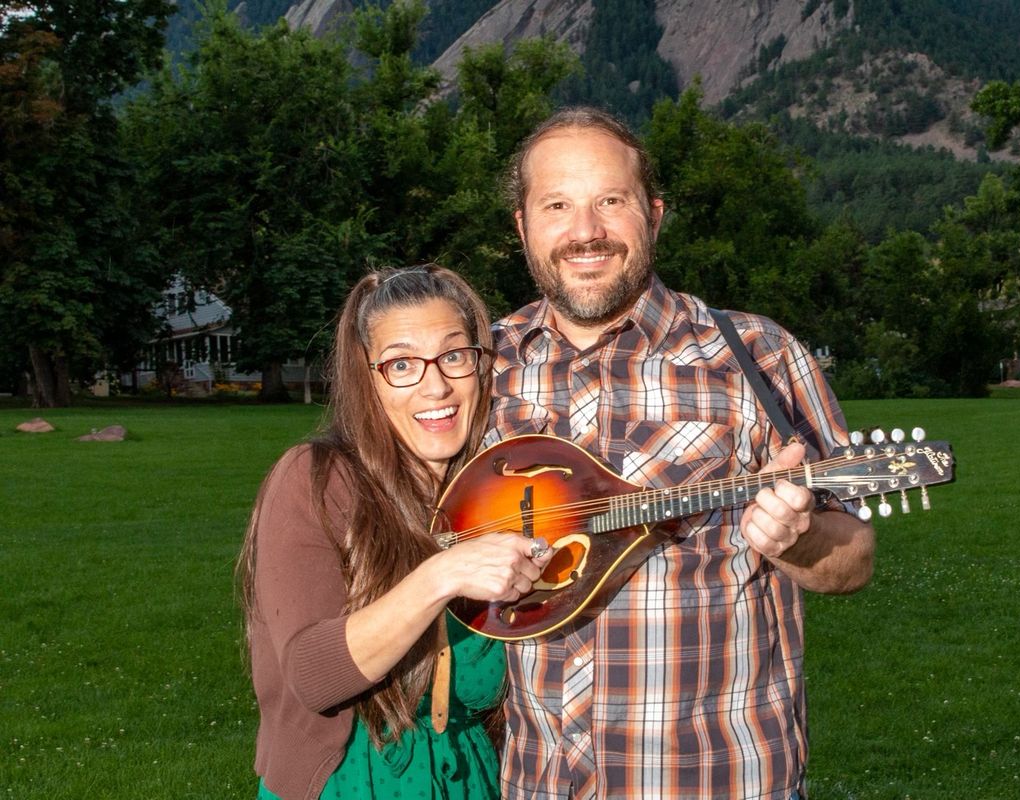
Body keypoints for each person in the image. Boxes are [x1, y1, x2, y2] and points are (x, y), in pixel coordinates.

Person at [486, 107, 877, 799]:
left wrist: (800, 537)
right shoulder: (483, 366)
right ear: (522, 225)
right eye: (557, 205)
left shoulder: (757, 357)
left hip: (717, 779)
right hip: (536, 780)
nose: (586, 232)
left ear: (654, 214)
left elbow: (853, 560)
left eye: (611, 201)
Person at [237, 266, 553, 800]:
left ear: (481, 366)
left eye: (454, 356)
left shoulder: (499, 492)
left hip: (471, 781)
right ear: (368, 378)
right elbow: (313, 677)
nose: (436, 386)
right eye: (402, 363)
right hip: (348, 783)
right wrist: (442, 575)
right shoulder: (315, 480)